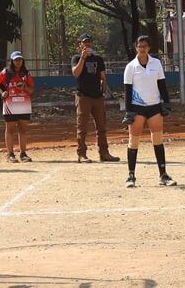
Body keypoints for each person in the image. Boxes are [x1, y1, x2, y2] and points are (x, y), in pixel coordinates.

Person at [121, 34, 176, 186]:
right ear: (136, 48)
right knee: (133, 142)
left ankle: (163, 175)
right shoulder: (131, 67)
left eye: (145, 46)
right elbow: (127, 90)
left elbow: (162, 84)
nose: (142, 49)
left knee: (158, 140)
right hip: (137, 108)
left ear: (149, 48)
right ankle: (131, 176)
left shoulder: (156, 64)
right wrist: (129, 111)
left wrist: (166, 103)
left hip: (154, 107)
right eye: (139, 46)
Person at [71, 34, 117, 164]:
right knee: (82, 127)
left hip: (97, 97)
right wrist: (83, 57)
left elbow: (103, 76)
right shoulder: (76, 58)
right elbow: (76, 73)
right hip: (83, 96)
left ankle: (104, 153)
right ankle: (81, 154)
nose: (87, 44)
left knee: (102, 126)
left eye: (89, 42)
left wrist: (104, 87)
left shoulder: (98, 59)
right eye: (84, 42)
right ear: (80, 45)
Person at [0, 52, 35, 163]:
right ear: (11, 61)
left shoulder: (26, 73)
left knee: (23, 130)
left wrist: (24, 87)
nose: (18, 62)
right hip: (10, 105)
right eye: (16, 60)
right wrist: (2, 92)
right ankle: (10, 154)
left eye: (20, 59)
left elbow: (31, 90)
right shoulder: (6, 72)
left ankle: (23, 154)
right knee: (10, 129)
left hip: (24, 104)